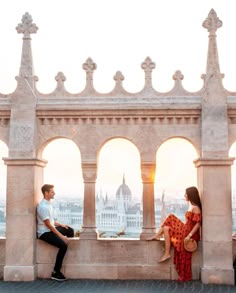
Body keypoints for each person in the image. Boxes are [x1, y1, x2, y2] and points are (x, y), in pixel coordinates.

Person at [147, 186, 202, 282]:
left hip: (189, 233)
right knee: (166, 227)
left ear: (190, 195)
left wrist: (189, 236)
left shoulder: (196, 208)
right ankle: (166, 252)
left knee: (170, 218)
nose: (185, 196)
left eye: (186, 194)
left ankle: (158, 238)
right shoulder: (191, 206)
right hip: (185, 228)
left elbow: (198, 224)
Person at [37, 184, 74, 281]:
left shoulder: (49, 204)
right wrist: (62, 237)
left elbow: (52, 222)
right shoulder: (42, 207)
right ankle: (56, 272)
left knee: (70, 230)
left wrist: (61, 225)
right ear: (46, 193)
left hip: (51, 229)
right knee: (63, 246)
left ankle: (62, 234)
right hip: (44, 233)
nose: (54, 193)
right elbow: (48, 225)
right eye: (52, 192)